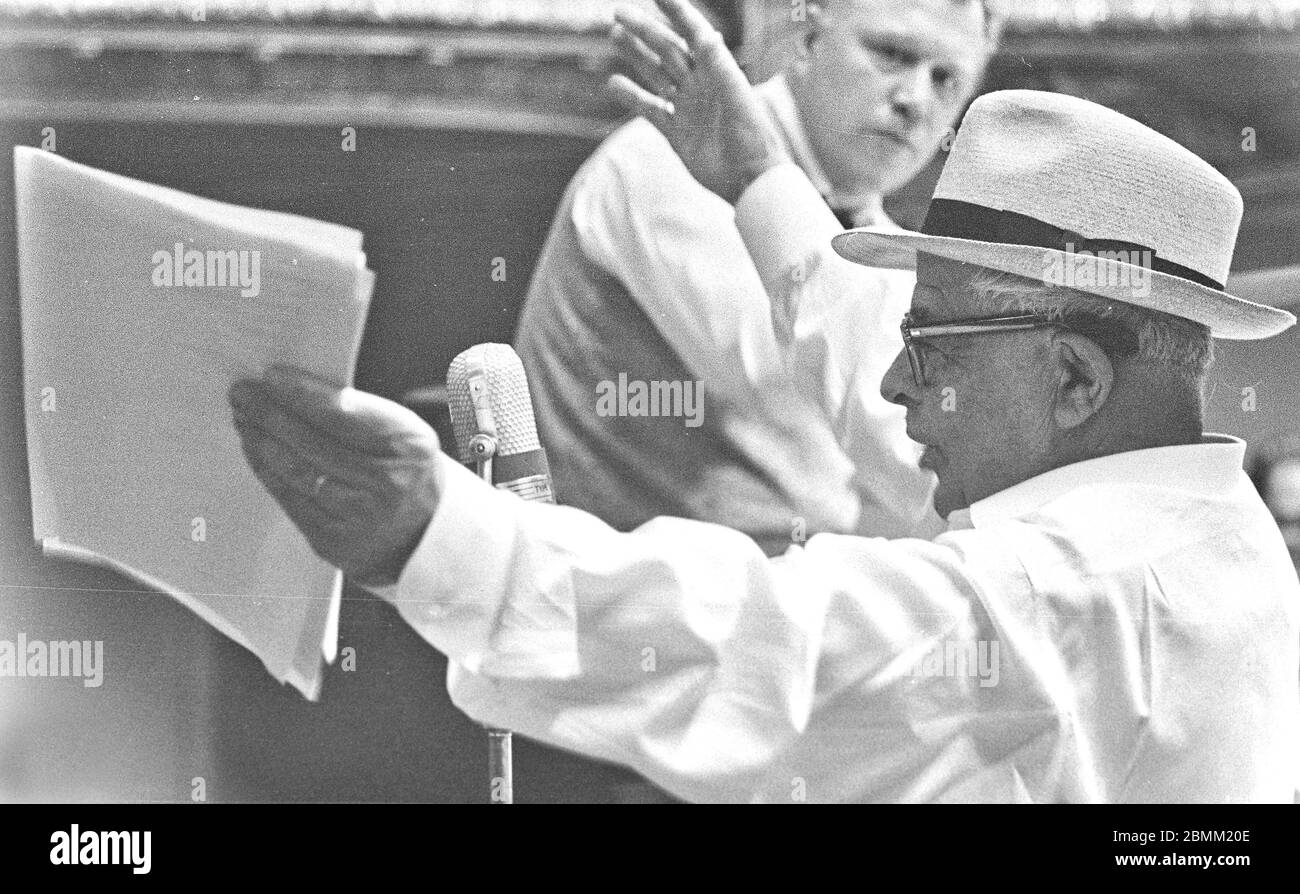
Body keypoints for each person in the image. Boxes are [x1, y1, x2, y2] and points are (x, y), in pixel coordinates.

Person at [229, 0, 1300, 801]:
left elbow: (787, 640)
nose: (891, 381)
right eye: (890, 54)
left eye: (927, 348)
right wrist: (755, 177)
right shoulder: (1216, 541)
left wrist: (436, 536)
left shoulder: (1073, 589)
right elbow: (857, 363)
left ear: (1074, 380)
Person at [514, 0, 999, 556]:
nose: (915, 99)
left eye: (946, 78)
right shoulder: (671, 159)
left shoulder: (865, 227)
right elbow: (848, 396)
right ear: (805, 39)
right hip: (631, 599)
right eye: (891, 53)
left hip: (756, 593)